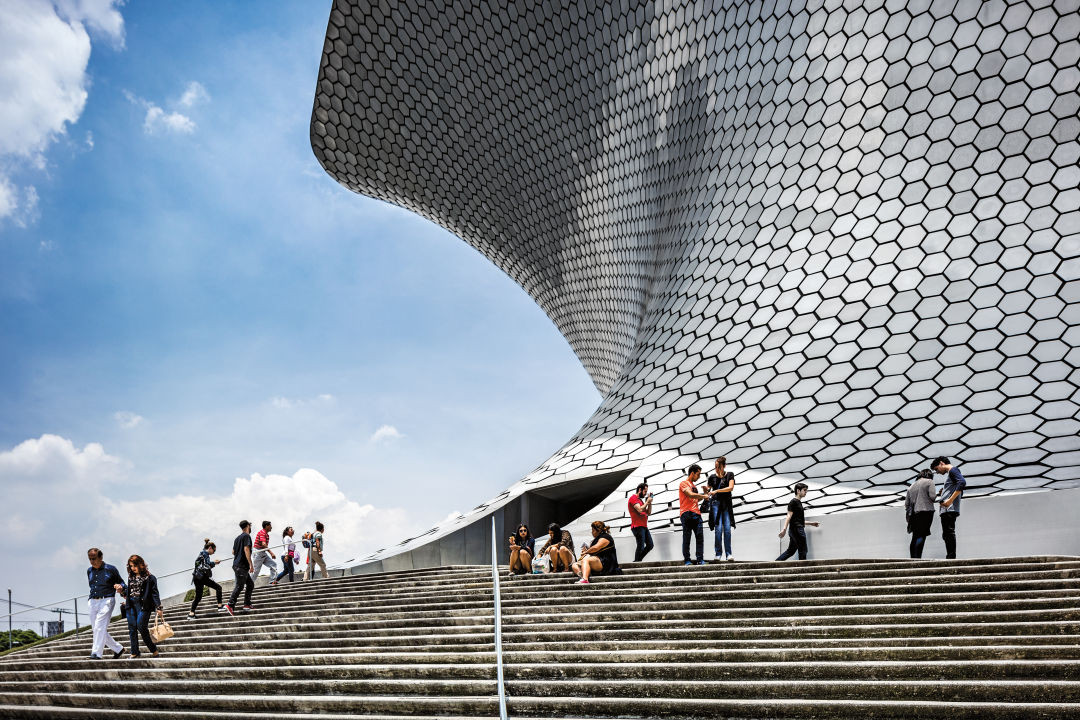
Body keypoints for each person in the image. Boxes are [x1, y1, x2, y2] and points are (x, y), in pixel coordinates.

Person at [118, 554, 162, 658]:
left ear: (141, 564)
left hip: (143, 606)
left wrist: (159, 607)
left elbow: (155, 593)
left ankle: (153, 649)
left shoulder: (150, 578)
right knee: (132, 629)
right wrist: (121, 591)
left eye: (134, 566)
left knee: (141, 627)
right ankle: (135, 652)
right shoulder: (130, 577)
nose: (133, 568)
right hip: (130, 605)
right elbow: (128, 592)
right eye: (131, 566)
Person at [85, 548, 126, 660]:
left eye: (94, 558)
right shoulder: (89, 571)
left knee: (99, 627)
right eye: (90, 559)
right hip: (93, 601)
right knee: (98, 629)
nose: (92, 561)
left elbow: (121, 582)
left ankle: (96, 653)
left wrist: (121, 587)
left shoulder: (110, 569)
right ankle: (118, 649)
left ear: (101, 557)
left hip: (107, 600)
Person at [932, 456, 967, 559]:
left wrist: (949, 501)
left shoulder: (953, 470)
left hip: (949, 509)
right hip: (948, 509)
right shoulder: (952, 473)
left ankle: (951, 558)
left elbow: (962, 482)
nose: (937, 472)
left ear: (941, 463)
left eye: (936, 469)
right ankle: (950, 556)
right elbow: (960, 488)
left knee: (948, 533)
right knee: (947, 534)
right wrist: (945, 493)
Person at [679, 464, 713, 565]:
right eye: (698, 474)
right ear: (692, 473)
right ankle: (687, 560)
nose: (699, 477)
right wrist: (703, 495)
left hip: (696, 514)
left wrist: (705, 494)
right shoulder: (683, 483)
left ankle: (700, 559)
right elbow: (689, 494)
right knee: (687, 537)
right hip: (686, 513)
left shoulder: (694, 486)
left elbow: (696, 498)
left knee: (699, 538)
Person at [777, 483, 820, 561]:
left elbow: (798, 520)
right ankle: (803, 569)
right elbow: (789, 516)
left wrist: (811, 523)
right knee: (803, 550)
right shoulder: (793, 502)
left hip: (795, 529)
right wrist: (784, 529)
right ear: (798, 490)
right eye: (804, 490)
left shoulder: (798, 503)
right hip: (797, 530)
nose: (806, 492)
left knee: (791, 551)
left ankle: (775, 564)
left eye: (806, 490)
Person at [706, 457, 736, 561]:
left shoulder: (730, 474)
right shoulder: (712, 477)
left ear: (724, 466)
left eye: (718, 467)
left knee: (727, 529)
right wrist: (706, 490)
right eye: (715, 467)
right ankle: (718, 553)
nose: (717, 469)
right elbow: (708, 490)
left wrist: (717, 491)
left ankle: (729, 554)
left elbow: (730, 488)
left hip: (726, 504)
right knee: (718, 530)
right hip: (715, 504)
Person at [189, 539, 226, 618]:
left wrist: (206, 543)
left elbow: (203, 559)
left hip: (196, 577)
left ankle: (191, 614)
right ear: (210, 548)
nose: (214, 552)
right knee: (218, 588)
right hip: (202, 577)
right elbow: (207, 565)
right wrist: (215, 563)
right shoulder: (205, 554)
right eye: (214, 550)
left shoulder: (202, 552)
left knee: (198, 597)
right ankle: (220, 607)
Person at [906, 469, 936, 559]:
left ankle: (913, 558)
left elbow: (907, 504)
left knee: (915, 537)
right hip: (925, 512)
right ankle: (918, 558)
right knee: (922, 535)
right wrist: (939, 494)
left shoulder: (911, 486)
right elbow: (933, 497)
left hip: (914, 515)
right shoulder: (929, 482)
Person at [226, 520, 255, 614]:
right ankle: (230, 604)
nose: (250, 527)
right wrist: (251, 564)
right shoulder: (246, 536)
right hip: (242, 565)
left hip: (237, 565)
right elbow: (246, 549)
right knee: (240, 586)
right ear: (247, 526)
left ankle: (247, 604)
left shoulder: (237, 538)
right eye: (250, 526)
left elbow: (233, 552)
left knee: (250, 584)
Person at [628, 483, 654, 562]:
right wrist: (647, 502)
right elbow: (639, 509)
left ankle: (638, 560)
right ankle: (637, 562)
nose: (645, 493)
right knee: (640, 546)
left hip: (644, 526)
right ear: (640, 490)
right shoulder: (633, 498)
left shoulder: (640, 501)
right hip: (637, 526)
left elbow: (648, 513)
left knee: (650, 545)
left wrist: (649, 502)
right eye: (645, 491)